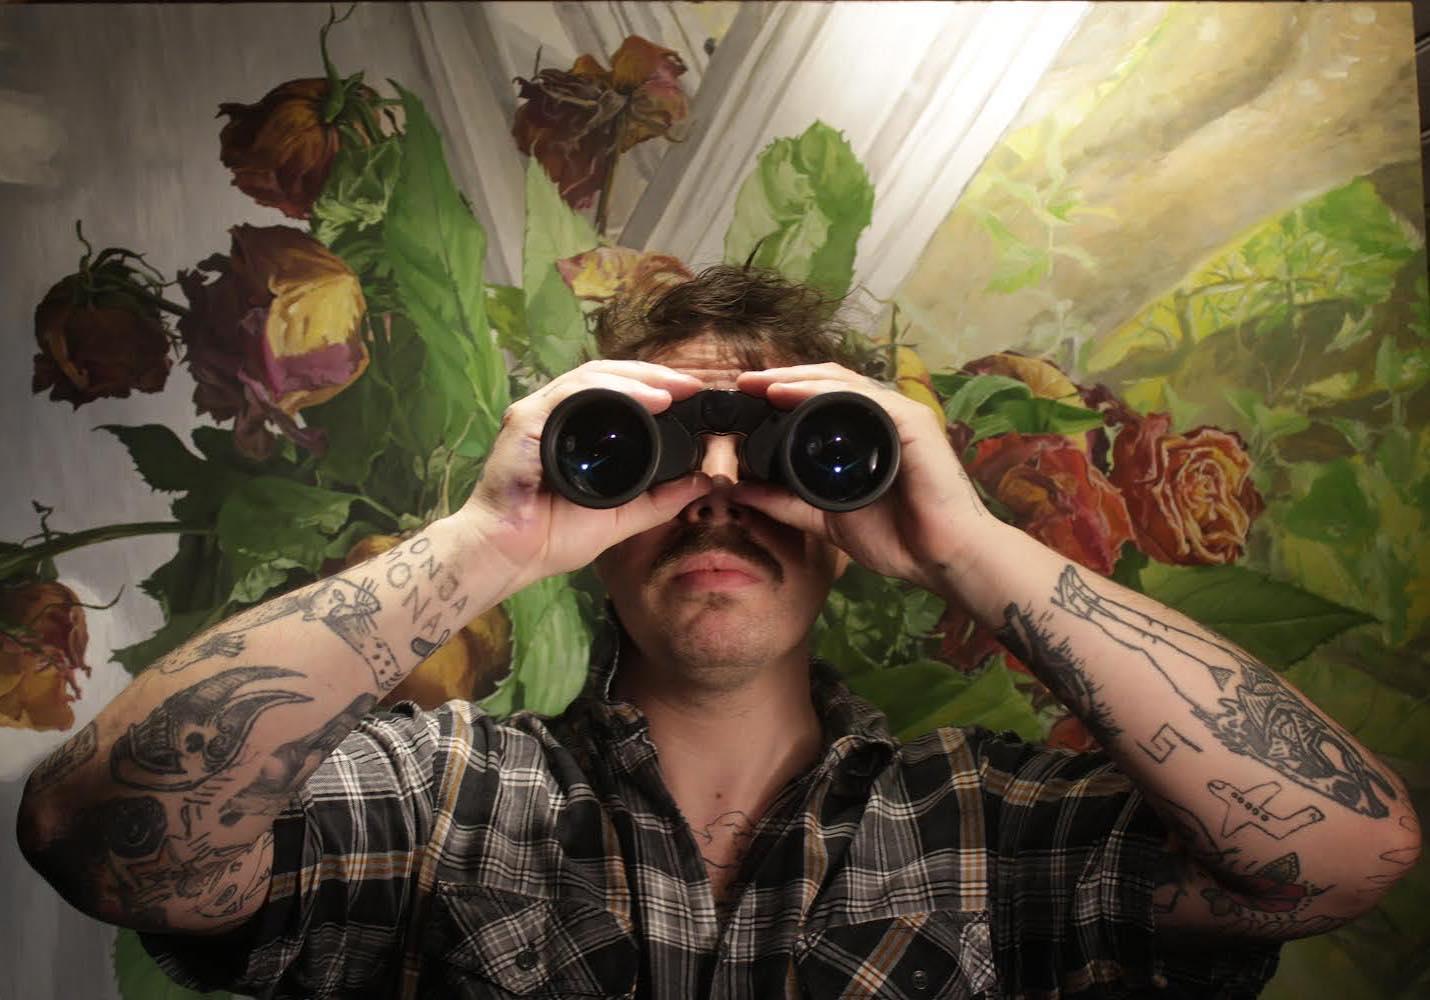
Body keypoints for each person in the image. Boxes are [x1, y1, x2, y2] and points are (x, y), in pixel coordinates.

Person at [17, 266, 1420, 999]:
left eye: (789, 454)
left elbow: (1346, 857)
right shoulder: (441, 795)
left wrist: (969, 548)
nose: (720, 497)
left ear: (851, 512)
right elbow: (101, 841)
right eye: (668, 451)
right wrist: (490, 540)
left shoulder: (993, 828)